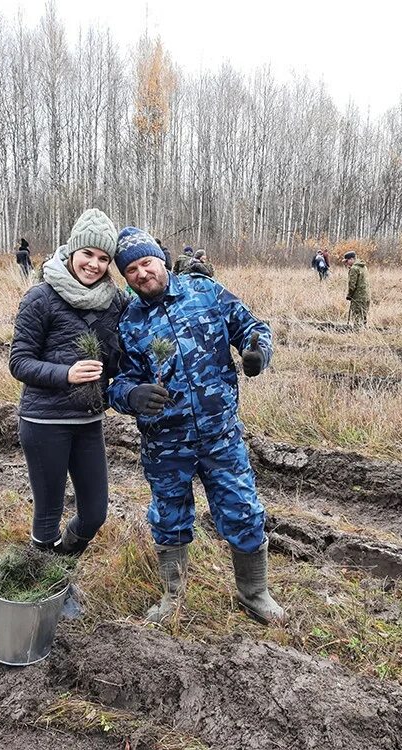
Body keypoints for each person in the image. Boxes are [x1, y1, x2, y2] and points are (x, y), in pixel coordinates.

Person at [107, 228, 284, 626]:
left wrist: (257, 354)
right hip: (165, 443)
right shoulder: (128, 322)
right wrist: (131, 396)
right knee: (169, 517)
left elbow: (253, 328)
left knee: (242, 511)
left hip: (221, 436)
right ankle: (172, 596)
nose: (141, 274)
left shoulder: (205, 292)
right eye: (131, 269)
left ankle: (254, 594)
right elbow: (115, 382)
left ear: (161, 260)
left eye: (146, 262)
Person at [9, 208, 126, 559]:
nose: (94, 264)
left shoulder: (115, 302)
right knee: (48, 514)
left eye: (104, 258)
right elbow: (19, 361)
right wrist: (66, 374)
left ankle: (61, 566)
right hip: (44, 421)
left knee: (94, 513)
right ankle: (49, 585)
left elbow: (119, 358)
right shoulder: (40, 297)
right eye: (88, 253)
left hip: (89, 422)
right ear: (72, 250)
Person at [343, 251, 370, 328]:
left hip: (357, 297)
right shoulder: (363, 266)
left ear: (351, 259)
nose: (346, 263)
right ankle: (364, 332)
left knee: (357, 318)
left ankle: (357, 334)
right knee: (363, 316)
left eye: (347, 261)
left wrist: (349, 295)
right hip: (366, 296)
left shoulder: (354, 269)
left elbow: (352, 285)